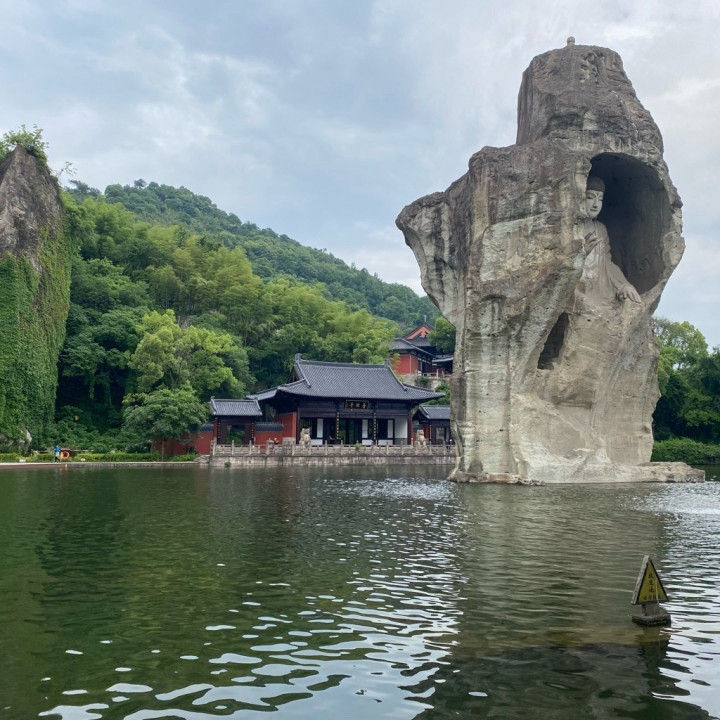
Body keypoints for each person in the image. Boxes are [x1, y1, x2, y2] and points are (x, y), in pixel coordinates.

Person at [582, 176, 641, 304]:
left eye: (600, 199)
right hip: (578, 288)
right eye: (590, 198)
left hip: (600, 287)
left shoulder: (600, 229)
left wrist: (624, 284)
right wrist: (581, 254)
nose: (596, 204)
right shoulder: (570, 228)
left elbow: (607, 263)